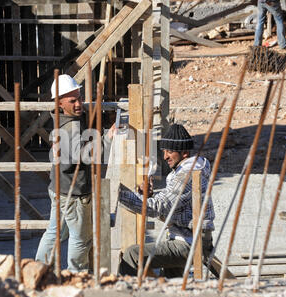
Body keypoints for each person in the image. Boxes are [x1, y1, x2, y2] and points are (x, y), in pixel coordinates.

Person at [35, 74, 115, 273]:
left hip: (59, 188)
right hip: (74, 192)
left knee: (55, 233)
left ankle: (37, 270)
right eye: (73, 100)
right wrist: (107, 139)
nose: (79, 103)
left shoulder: (65, 119)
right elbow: (86, 156)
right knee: (81, 238)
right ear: (59, 103)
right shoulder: (69, 128)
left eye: (79, 97)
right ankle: (76, 275)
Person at [117, 123, 215, 278]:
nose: (165, 157)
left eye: (170, 152)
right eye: (164, 151)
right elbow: (171, 202)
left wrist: (119, 194)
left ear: (184, 153)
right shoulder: (185, 170)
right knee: (172, 285)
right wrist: (148, 197)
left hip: (189, 242)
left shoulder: (188, 174)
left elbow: (159, 207)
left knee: (133, 255)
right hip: (184, 238)